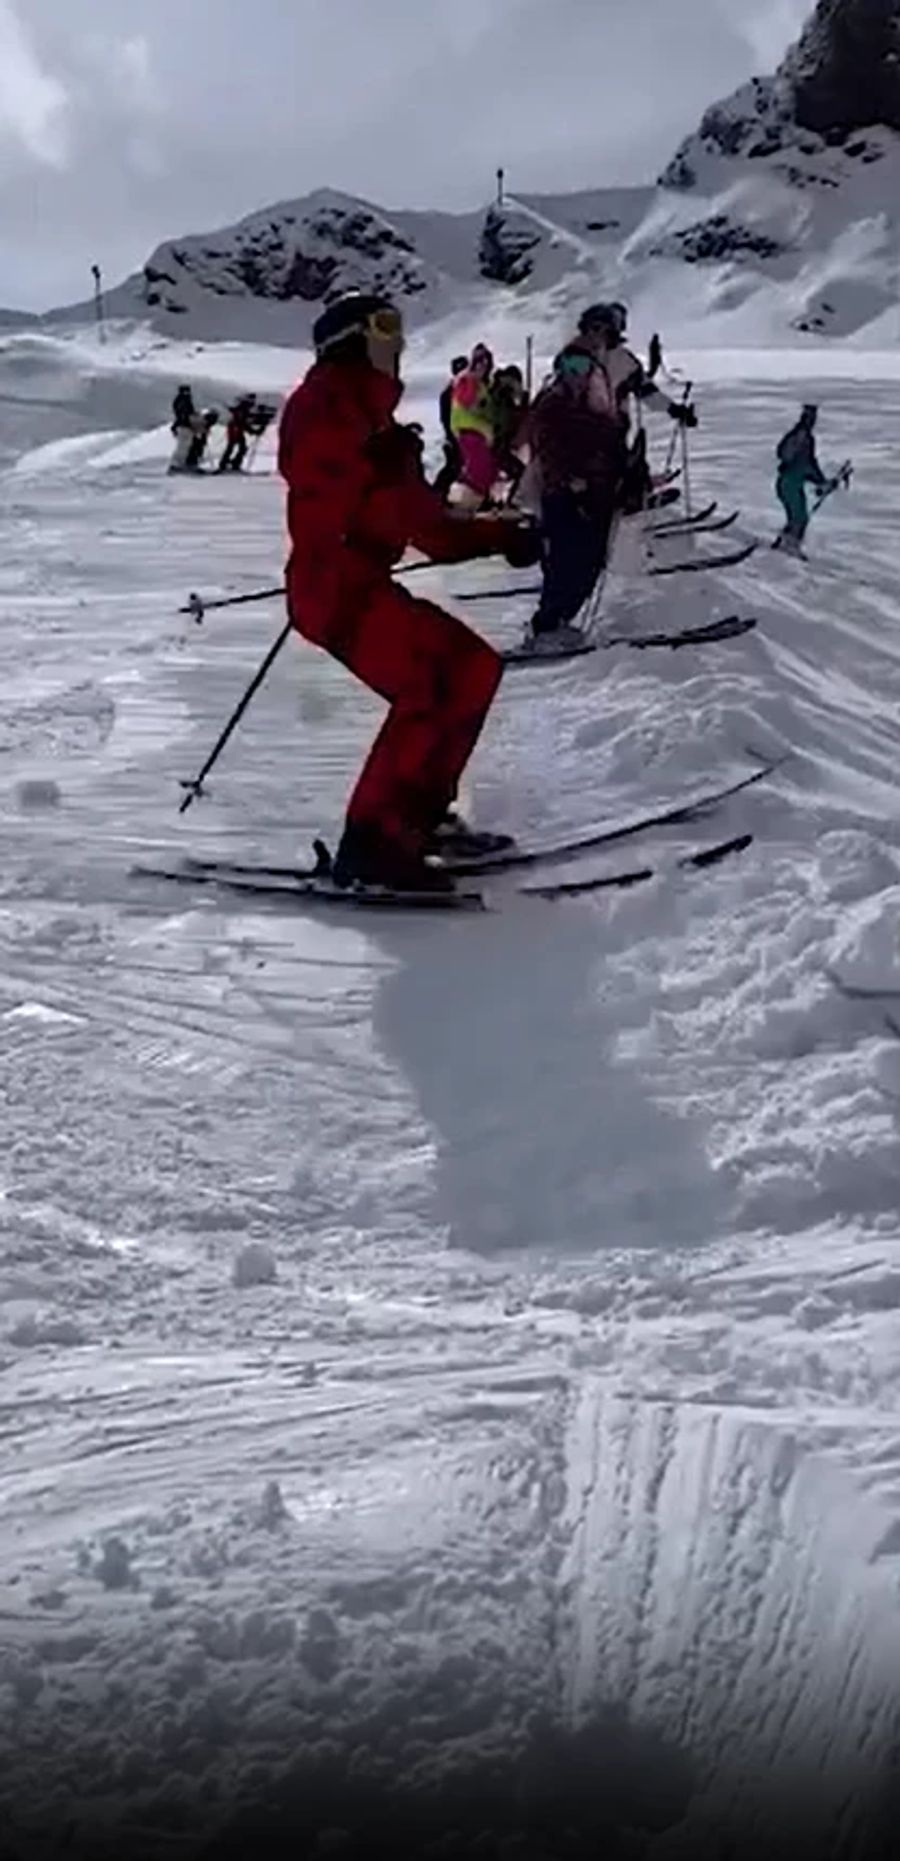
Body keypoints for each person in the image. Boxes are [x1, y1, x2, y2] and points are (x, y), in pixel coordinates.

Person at [277, 292, 541, 894]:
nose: (398, 345)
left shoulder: (375, 425)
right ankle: (371, 844)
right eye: (385, 332)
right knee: (428, 683)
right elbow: (323, 481)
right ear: (352, 342)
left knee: (472, 668)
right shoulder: (326, 407)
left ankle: (419, 817)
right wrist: (380, 468)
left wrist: (504, 536)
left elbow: (428, 532)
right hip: (332, 585)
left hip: (361, 582)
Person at [522, 340, 627, 650]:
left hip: (594, 495)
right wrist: (570, 479)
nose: (577, 375)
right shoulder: (552, 405)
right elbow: (548, 448)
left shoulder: (592, 406)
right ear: (559, 371)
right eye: (570, 368)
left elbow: (606, 441)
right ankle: (546, 625)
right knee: (565, 561)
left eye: (583, 368)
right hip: (564, 494)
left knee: (592, 559)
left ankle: (560, 621)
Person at [774, 404, 833, 556]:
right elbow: (808, 465)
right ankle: (790, 547)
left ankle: (785, 544)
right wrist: (821, 481)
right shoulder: (803, 438)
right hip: (790, 484)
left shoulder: (798, 435)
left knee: (797, 517)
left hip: (788, 483)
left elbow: (808, 466)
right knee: (799, 518)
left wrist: (821, 481)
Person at [449, 344, 498, 506]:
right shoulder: (468, 380)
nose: (483, 368)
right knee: (479, 468)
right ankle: (472, 501)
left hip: (477, 431)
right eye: (480, 363)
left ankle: (480, 499)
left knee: (484, 467)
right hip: (469, 430)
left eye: (486, 364)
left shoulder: (478, 383)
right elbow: (466, 404)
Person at [491, 364, 529, 502]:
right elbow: (507, 421)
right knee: (520, 472)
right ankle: (509, 501)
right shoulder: (501, 395)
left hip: (498, 445)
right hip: (496, 446)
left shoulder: (500, 393)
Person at [433, 356, 468, 501]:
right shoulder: (451, 393)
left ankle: (438, 493)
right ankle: (437, 493)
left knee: (458, 466)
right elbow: (447, 418)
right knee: (454, 466)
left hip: (461, 434)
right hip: (456, 435)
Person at [219, 395, 256, 472]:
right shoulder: (243, 409)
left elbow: (243, 421)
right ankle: (227, 463)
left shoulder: (244, 408)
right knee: (233, 446)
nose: (253, 403)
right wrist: (252, 431)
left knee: (240, 447)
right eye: (252, 401)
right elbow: (241, 422)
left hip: (237, 430)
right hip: (235, 430)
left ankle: (230, 462)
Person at [169, 384, 197, 473]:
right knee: (182, 446)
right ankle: (176, 465)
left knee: (184, 445)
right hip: (184, 425)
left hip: (183, 425)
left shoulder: (180, 400)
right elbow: (184, 414)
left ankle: (179, 464)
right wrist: (189, 420)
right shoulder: (184, 401)